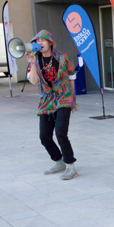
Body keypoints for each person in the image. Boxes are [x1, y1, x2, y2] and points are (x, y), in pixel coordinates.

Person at [26, 30, 79, 180]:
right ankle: (59, 161)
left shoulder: (63, 57)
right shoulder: (35, 60)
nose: (40, 43)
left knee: (61, 132)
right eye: (38, 41)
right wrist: (32, 63)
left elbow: (71, 77)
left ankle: (71, 166)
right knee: (44, 136)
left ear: (50, 42)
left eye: (43, 40)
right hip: (47, 100)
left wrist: (72, 98)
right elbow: (35, 81)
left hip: (63, 96)